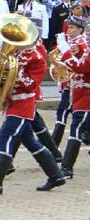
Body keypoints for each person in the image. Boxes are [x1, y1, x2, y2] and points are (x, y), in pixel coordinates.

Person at [0, 19, 66, 195]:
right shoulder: (15, 52)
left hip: (23, 104)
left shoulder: (37, 58)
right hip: (13, 103)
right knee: (31, 143)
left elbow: (31, 84)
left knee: (5, 138)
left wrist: (16, 73)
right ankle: (55, 175)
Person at [56, 17, 90, 178]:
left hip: (86, 94)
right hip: (77, 93)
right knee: (78, 128)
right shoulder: (80, 45)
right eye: (68, 27)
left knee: (76, 129)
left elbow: (82, 67)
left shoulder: (84, 45)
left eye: (73, 27)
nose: (69, 30)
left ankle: (66, 167)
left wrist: (66, 51)